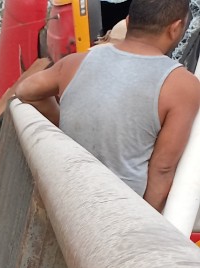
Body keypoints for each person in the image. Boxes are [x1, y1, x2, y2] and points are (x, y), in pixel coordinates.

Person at [15, 0, 200, 212]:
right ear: (175, 28)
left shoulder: (76, 62)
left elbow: (25, 91)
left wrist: (61, 121)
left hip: (64, 201)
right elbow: (162, 169)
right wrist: (147, 224)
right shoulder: (182, 85)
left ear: (128, 21)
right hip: (118, 211)